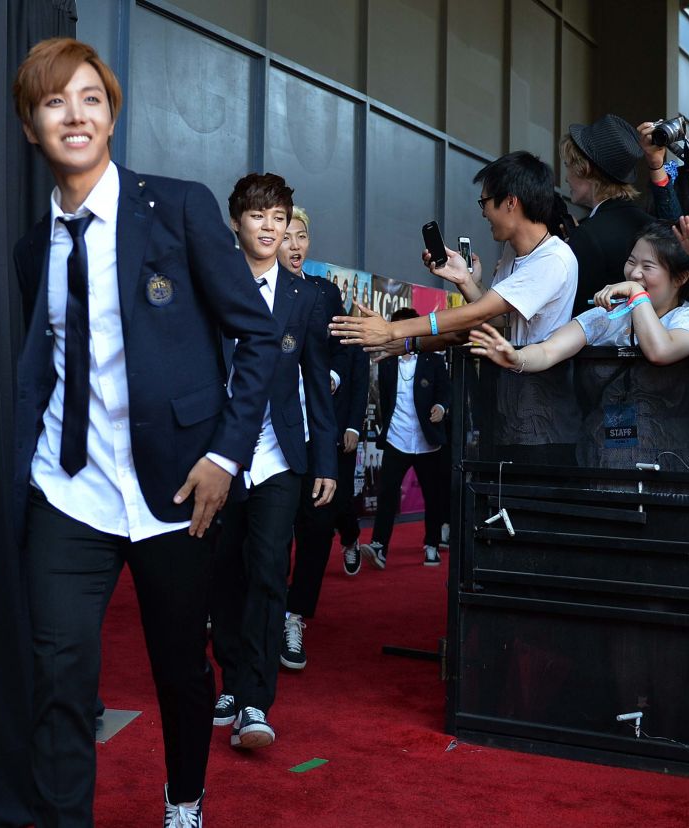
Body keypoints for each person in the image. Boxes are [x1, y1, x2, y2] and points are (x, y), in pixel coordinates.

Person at [11, 38, 281, 827]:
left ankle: (184, 801)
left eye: (91, 98)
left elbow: (257, 337)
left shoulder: (180, 206)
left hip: (176, 486)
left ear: (111, 115)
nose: (75, 114)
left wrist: (225, 455)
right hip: (66, 491)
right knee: (58, 675)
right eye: (55, 101)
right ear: (32, 126)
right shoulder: (35, 250)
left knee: (180, 673)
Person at [329, 151, 579, 463]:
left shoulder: (553, 260)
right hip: (507, 409)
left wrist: (392, 329)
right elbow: (496, 321)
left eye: (485, 202)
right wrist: (463, 281)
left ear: (511, 202)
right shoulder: (512, 253)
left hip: (543, 421)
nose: (484, 212)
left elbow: (480, 313)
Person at [209, 174, 339, 751]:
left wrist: (327, 459)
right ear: (236, 222)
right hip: (216, 458)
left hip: (279, 457)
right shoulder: (209, 285)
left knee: (267, 572)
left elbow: (317, 382)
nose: (270, 227)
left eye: (279, 217)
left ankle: (257, 700)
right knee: (223, 575)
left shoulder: (305, 297)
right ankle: (232, 680)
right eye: (258, 216)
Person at [470, 221, 689, 470]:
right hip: (603, 456)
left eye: (647, 267)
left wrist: (636, 294)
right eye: (631, 262)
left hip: (671, 459)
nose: (635, 273)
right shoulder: (607, 316)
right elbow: (549, 349)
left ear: (680, 277)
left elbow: (660, 350)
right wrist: (516, 358)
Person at [282, 207, 370, 672]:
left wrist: (330, 378)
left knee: (316, 530)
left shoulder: (324, 291)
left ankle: (294, 617)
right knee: (271, 538)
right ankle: (263, 613)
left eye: (302, 236)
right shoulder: (256, 292)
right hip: (272, 440)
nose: (296, 245)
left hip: (320, 435)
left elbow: (342, 348)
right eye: (287, 236)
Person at [359, 308, 452, 569]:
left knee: (433, 497)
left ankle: (432, 544)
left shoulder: (433, 360)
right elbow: (386, 401)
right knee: (387, 493)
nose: (397, 336)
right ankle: (379, 546)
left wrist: (441, 408)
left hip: (427, 441)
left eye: (402, 330)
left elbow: (446, 391)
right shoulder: (387, 363)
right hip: (397, 439)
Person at [559, 114, 654, 310]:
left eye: (568, 166)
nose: (566, 177)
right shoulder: (652, 225)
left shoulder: (588, 234)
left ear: (584, 169)